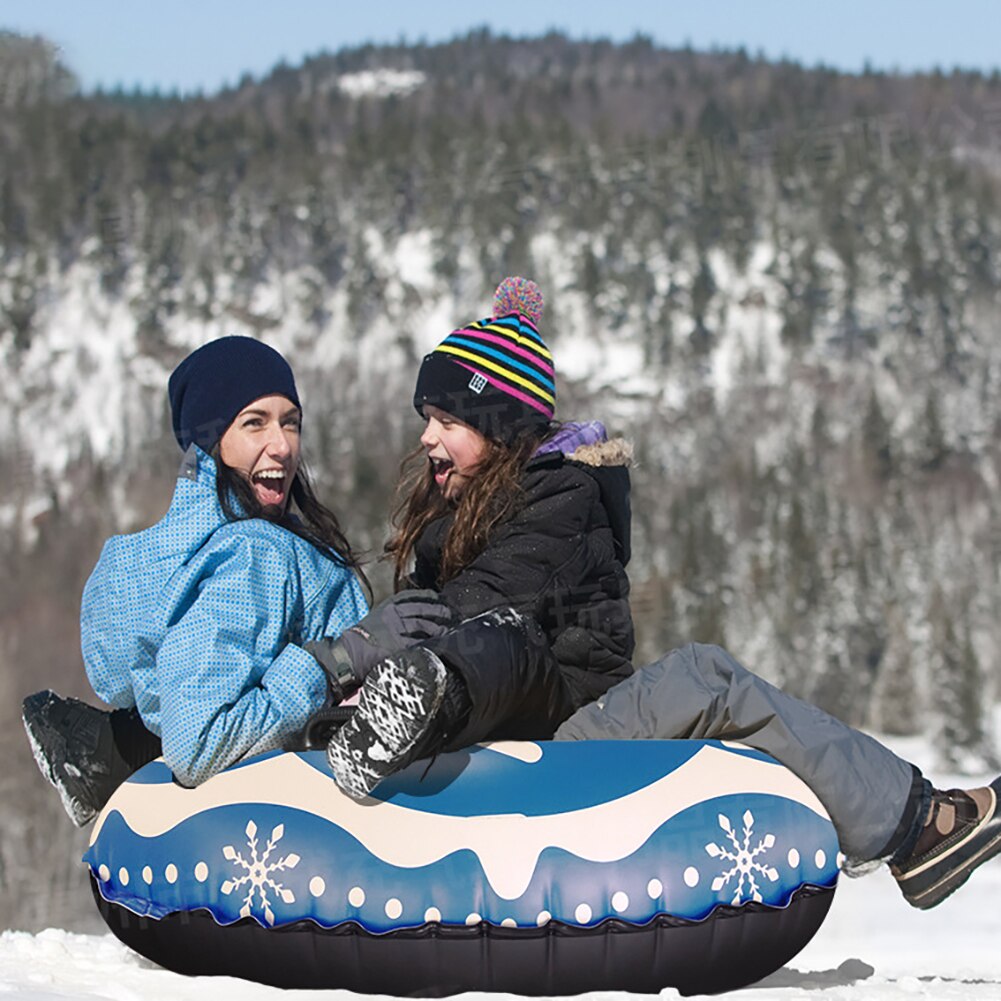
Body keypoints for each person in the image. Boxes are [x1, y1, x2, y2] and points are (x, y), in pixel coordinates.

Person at [22, 336, 372, 823]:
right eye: (255, 423)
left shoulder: (204, 549)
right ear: (212, 441)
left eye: (290, 423)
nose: (283, 445)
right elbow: (200, 742)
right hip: (297, 836)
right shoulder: (254, 555)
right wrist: (326, 666)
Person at [309, 276, 635, 798]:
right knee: (464, 635)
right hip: (493, 692)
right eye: (427, 418)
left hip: (573, 703)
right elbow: (425, 606)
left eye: (447, 422)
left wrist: (391, 657)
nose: (427, 436)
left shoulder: (564, 497)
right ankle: (383, 710)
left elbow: (486, 601)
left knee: (504, 637)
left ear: (500, 431)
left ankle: (405, 709)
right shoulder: (462, 503)